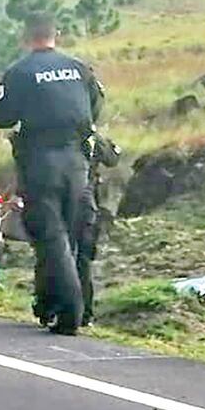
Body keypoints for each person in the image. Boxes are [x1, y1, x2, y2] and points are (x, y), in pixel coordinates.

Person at [0, 15, 104, 335]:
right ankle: (69, 309)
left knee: (50, 236)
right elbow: (95, 110)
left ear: (26, 37)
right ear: (57, 35)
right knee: (76, 236)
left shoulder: (19, 72)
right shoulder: (80, 69)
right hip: (78, 164)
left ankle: (68, 312)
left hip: (40, 163)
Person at [76, 131, 121, 326]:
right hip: (85, 205)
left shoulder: (51, 131)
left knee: (55, 254)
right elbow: (113, 158)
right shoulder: (91, 135)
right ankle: (85, 313)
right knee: (83, 260)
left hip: (60, 202)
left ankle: (52, 307)